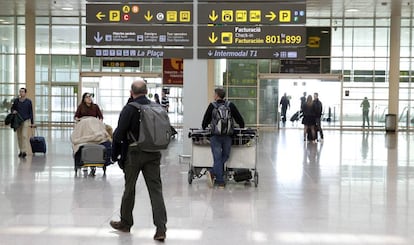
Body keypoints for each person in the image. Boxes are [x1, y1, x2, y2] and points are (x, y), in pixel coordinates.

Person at [110, 79, 167, 242]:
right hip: (154, 153)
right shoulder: (156, 107)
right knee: (155, 191)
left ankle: (126, 223)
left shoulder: (130, 108)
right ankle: (161, 229)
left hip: (134, 153)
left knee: (129, 189)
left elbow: (119, 134)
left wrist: (114, 155)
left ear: (131, 92)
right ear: (147, 92)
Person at [202, 87, 245, 188]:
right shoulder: (230, 105)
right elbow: (239, 119)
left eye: (214, 94)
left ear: (216, 95)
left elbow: (205, 121)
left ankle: (216, 176)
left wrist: (204, 127)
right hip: (227, 136)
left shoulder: (212, 106)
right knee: (225, 156)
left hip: (215, 136)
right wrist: (241, 127)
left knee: (217, 158)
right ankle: (216, 176)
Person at [11, 88, 34, 158]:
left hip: (25, 120)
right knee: (19, 137)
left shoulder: (28, 101)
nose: (21, 93)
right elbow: (12, 108)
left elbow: (31, 112)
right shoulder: (16, 101)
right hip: (18, 121)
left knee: (24, 136)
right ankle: (20, 150)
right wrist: (13, 111)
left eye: (22, 92)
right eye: (20, 92)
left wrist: (32, 122)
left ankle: (24, 151)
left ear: (25, 93)